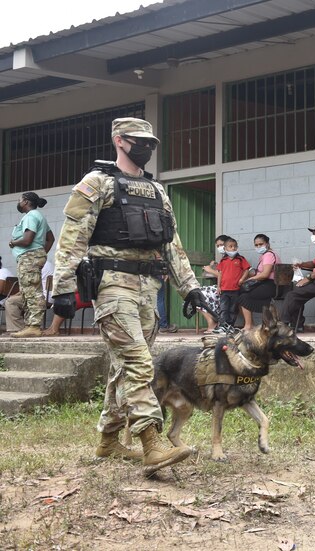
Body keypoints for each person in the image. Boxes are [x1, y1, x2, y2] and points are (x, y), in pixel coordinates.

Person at [50, 117, 210, 475]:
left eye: (151, 142)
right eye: (139, 141)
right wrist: (62, 288)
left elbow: (172, 244)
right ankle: (151, 442)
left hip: (148, 290)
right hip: (112, 286)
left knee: (123, 367)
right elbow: (72, 237)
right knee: (140, 363)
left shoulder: (157, 192)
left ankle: (108, 439)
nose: (147, 148)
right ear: (119, 141)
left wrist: (191, 287)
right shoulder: (96, 183)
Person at [8, 192, 55, 338]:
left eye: (20, 200)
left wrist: (13, 243)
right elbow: (51, 239)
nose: (18, 202)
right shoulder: (37, 216)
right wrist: (41, 253)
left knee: (31, 292)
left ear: (26, 202)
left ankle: (34, 326)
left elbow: (27, 240)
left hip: (29, 257)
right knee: (28, 291)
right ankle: (30, 326)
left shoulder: (31, 216)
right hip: (33, 257)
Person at [237, 233, 279, 331]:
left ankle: (248, 325)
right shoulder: (266, 255)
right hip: (265, 284)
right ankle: (250, 324)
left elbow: (265, 274)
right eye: (256, 245)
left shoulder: (269, 255)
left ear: (267, 244)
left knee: (243, 296)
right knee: (241, 293)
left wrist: (250, 279)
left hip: (269, 285)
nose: (258, 247)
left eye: (261, 244)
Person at [3, 260, 54, 334]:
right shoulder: (47, 263)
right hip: (50, 297)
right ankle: (25, 326)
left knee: (10, 301)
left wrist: (16, 295)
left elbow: (30, 287)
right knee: (17, 299)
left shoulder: (36, 265)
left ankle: (17, 329)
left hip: (41, 297)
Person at [215, 236, 250, 332]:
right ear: (225, 249)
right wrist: (218, 286)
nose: (233, 248)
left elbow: (246, 270)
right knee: (223, 308)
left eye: (235, 246)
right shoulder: (223, 261)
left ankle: (230, 326)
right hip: (224, 289)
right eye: (230, 246)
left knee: (233, 309)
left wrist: (242, 279)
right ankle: (222, 326)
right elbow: (219, 274)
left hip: (235, 289)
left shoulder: (240, 259)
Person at [199, 235, 230, 332]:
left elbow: (226, 276)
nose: (220, 247)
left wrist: (210, 270)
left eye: (221, 244)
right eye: (218, 246)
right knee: (193, 295)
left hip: (228, 288)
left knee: (197, 294)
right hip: (221, 287)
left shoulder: (232, 257)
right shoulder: (224, 258)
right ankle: (211, 320)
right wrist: (215, 265)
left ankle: (212, 322)